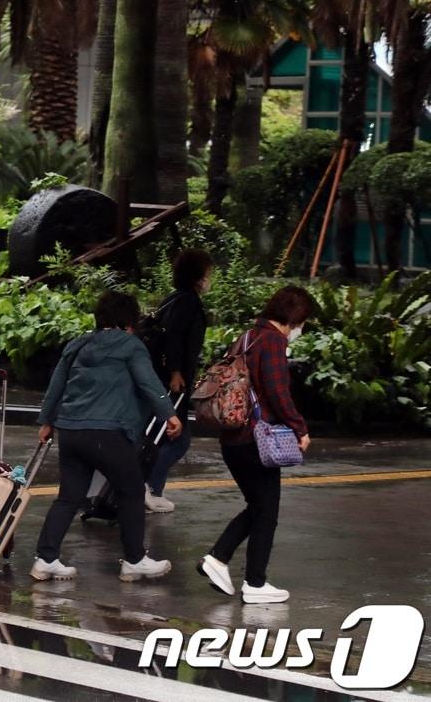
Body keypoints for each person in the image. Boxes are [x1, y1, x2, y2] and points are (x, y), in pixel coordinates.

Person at [32, 290, 180, 583]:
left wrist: (46, 421)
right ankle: (135, 560)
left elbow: (56, 385)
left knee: (69, 497)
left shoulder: (77, 345)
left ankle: (46, 558)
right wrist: (169, 414)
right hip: (107, 432)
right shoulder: (131, 346)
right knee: (132, 490)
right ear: (129, 320)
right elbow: (148, 383)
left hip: (71, 431)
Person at [199, 286, 315, 605]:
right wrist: (299, 428)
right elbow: (278, 392)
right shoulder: (273, 341)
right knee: (267, 512)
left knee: (259, 507)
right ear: (294, 316)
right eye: (302, 321)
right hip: (257, 439)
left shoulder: (248, 337)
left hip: (233, 439)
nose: (300, 329)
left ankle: (218, 559)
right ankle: (254, 583)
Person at [145, 249, 215, 512]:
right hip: (174, 379)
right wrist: (175, 371)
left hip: (168, 376)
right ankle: (150, 487)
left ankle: (150, 488)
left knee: (166, 435)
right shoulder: (187, 303)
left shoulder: (175, 299)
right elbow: (174, 338)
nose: (209, 279)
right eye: (207, 274)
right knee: (178, 438)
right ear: (197, 276)